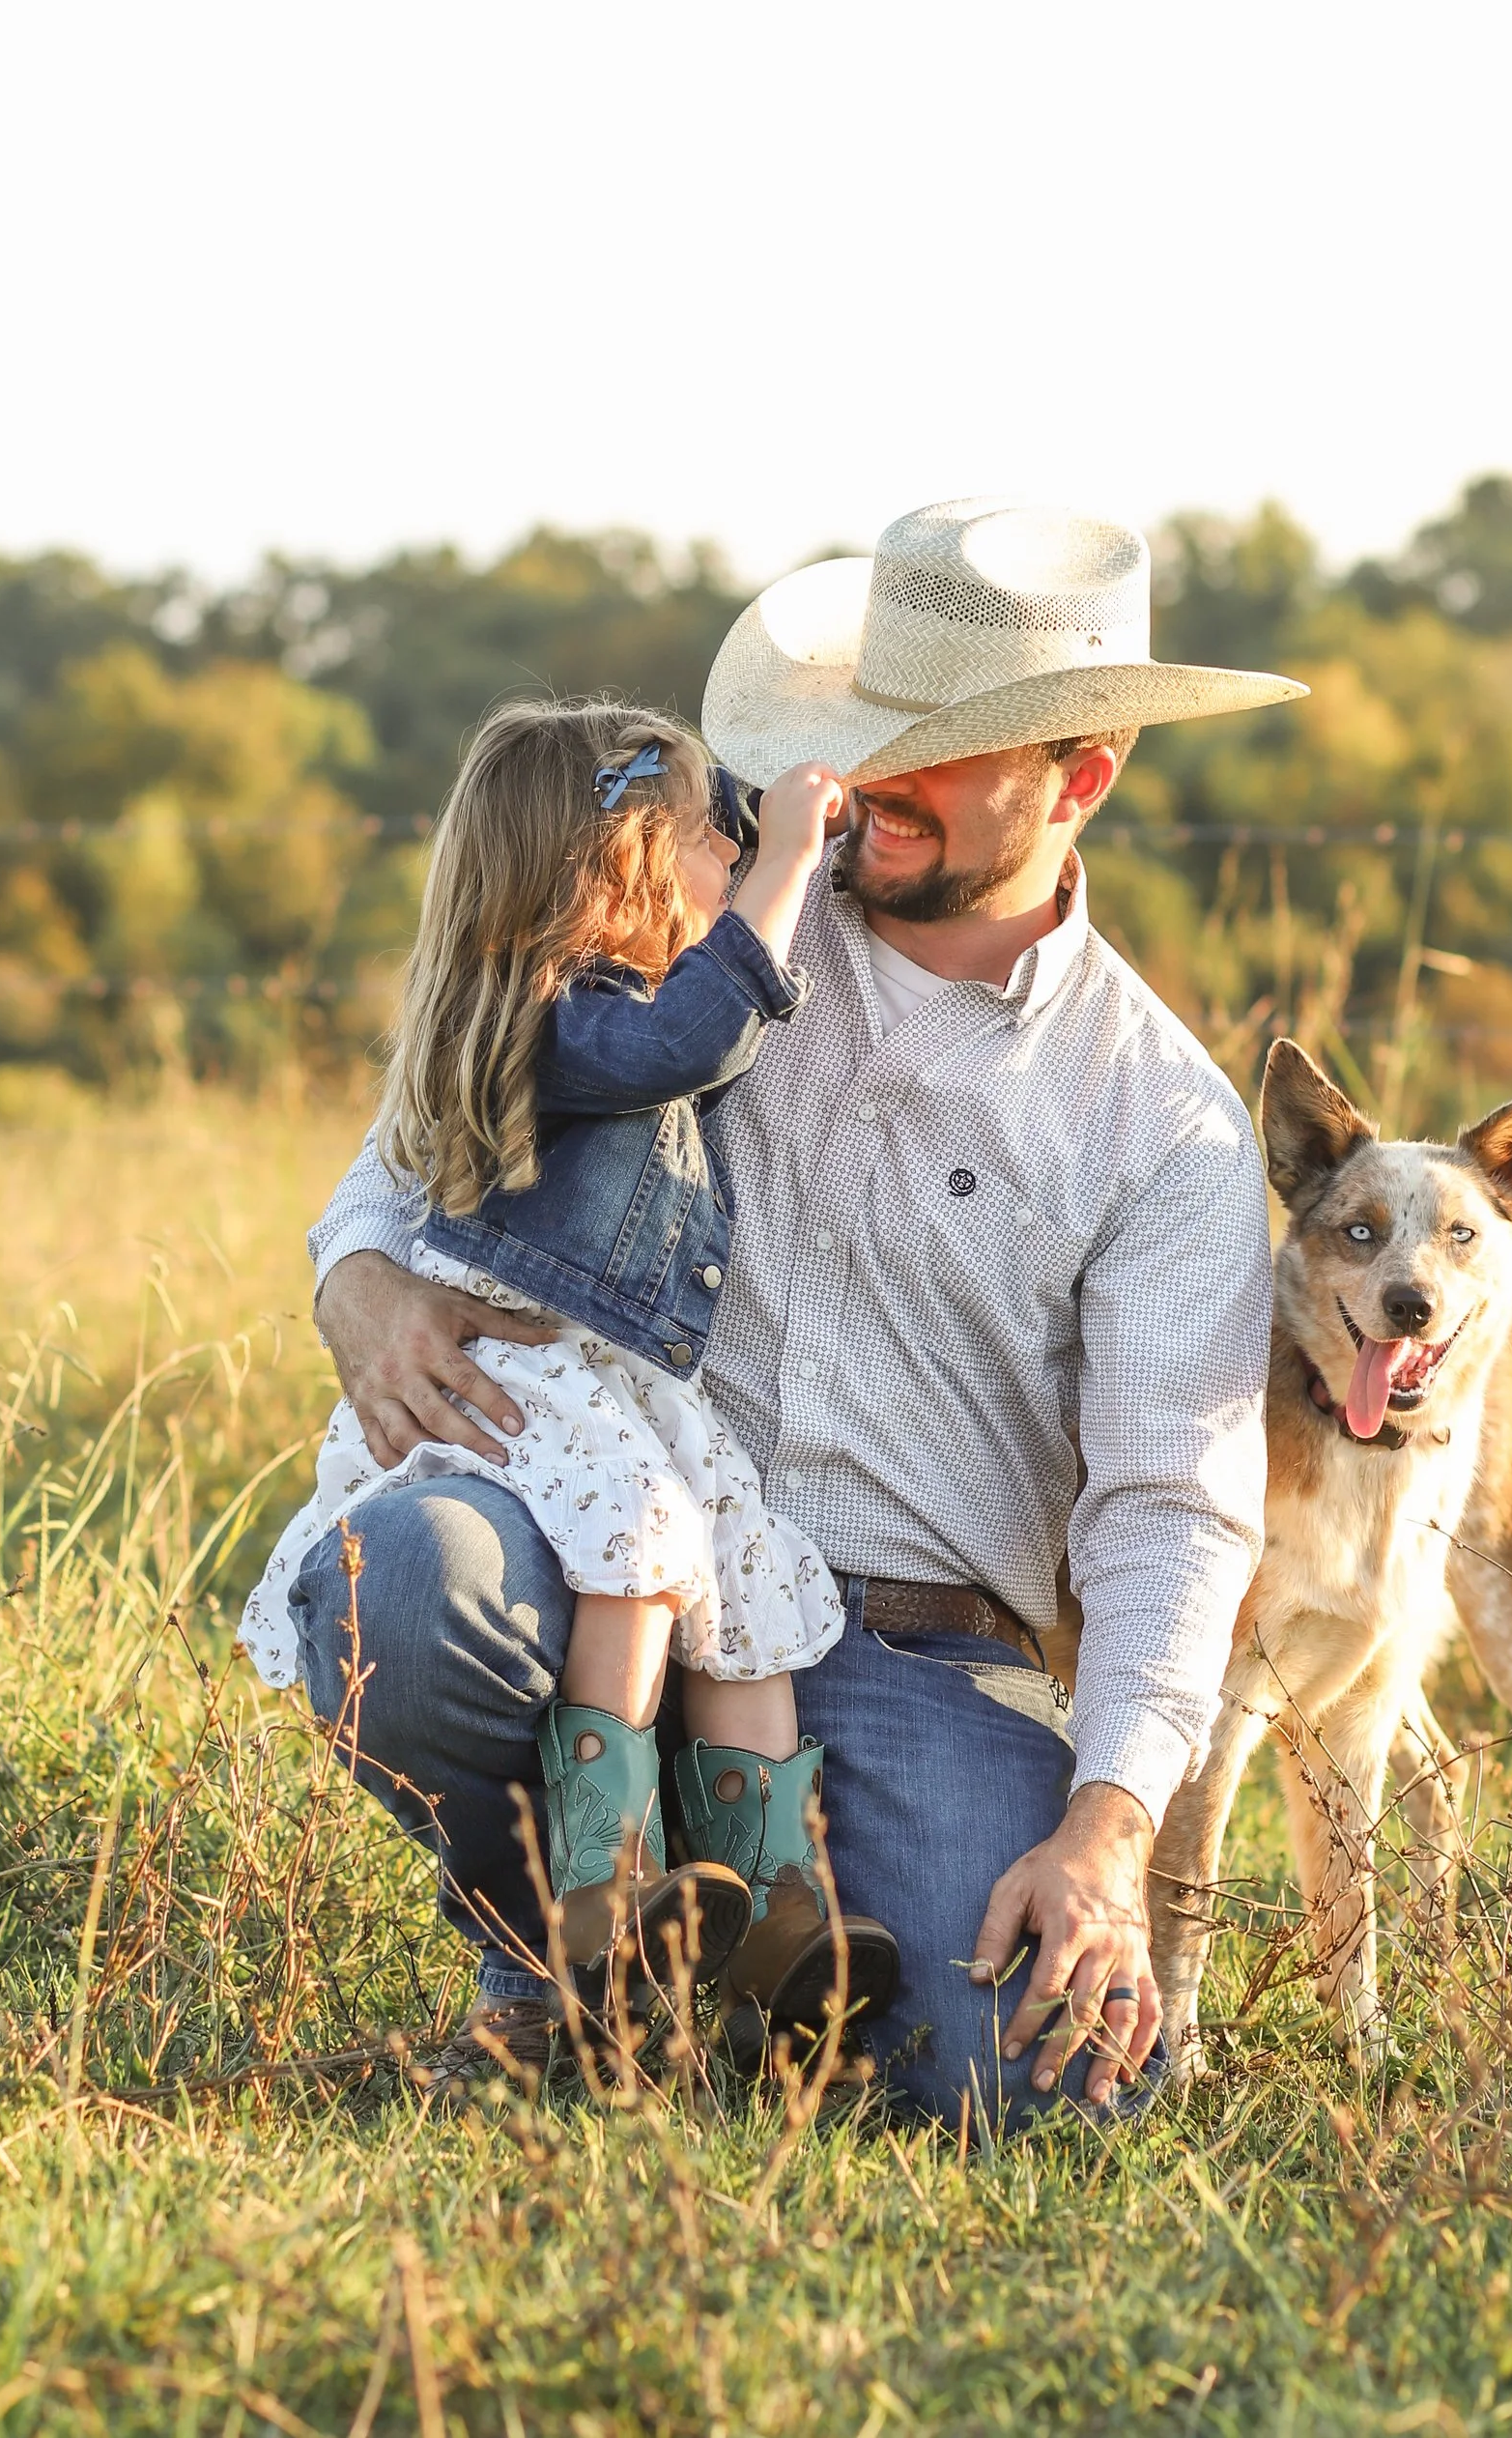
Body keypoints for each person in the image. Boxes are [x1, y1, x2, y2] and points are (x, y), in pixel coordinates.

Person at [287, 500, 1305, 2127]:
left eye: (944, 749)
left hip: (901, 1655)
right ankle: (563, 1975)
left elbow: (1175, 1516)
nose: (875, 773)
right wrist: (360, 1280)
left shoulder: (1164, 1124)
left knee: (1043, 2086)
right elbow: (452, 1097)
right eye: (873, 723)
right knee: (405, 1586)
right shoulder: (719, 901)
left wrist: (1103, 1834)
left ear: (1080, 776)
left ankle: (739, 1965)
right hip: (593, 1559)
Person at [242, 694, 898, 2058]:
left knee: (747, 1576)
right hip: (537, 1382)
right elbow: (702, 1034)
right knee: (647, 1545)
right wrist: (785, 862)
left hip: (622, 1389)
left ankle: (778, 1903)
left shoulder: (595, 1003)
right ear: (619, 883)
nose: (744, 846)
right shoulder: (573, 1019)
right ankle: (598, 1887)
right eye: (715, 831)